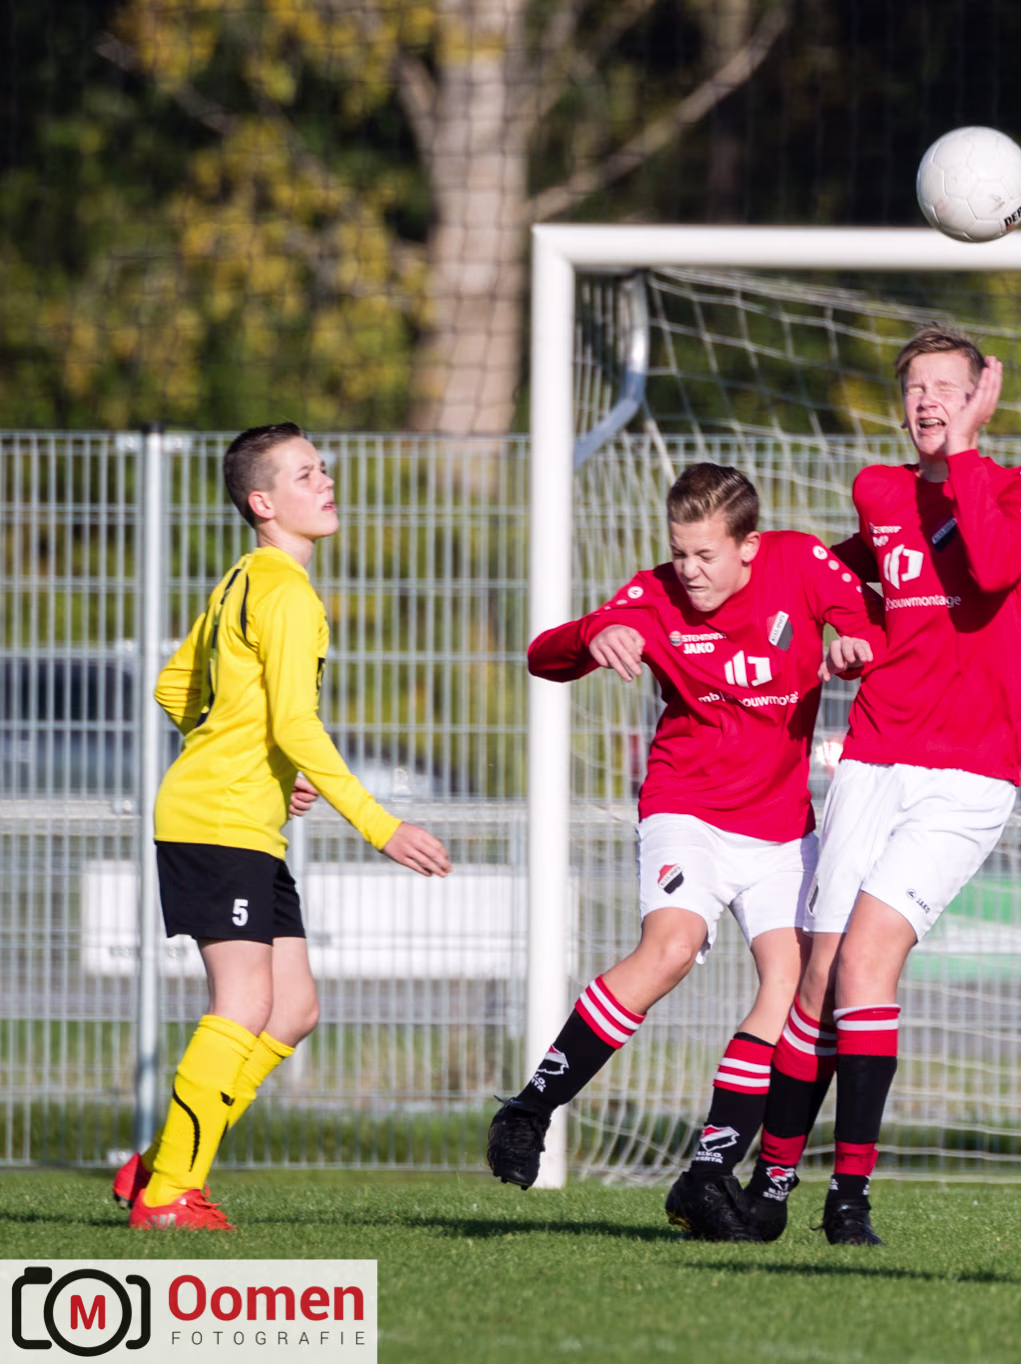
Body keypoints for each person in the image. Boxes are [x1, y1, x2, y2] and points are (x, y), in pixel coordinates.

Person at [486, 464, 881, 1240]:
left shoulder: (799, 562)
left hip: (780, 826)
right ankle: (528, 1111)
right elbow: (543, 656)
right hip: (687, 809)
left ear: (748, 546)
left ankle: (706, 1173)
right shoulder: (653, 595)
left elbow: (873, 624)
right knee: (670, 948)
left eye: (705, 554)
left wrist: (855, 646)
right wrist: (594, 634)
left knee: (798, 987)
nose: (689, 570)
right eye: (679, 553)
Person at [741, 326, 1021, 1246]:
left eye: (948, 387)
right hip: (874, 757)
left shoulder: (1019, 485)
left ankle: (850, 1197)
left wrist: (967, 450)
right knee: (820, 976)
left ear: (981, 396)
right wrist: (844, 629)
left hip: (967, 777)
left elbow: (991, 567)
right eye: (916, 387)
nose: (928, 401)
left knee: (868, 962)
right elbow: (835, 579)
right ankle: (771, 1184)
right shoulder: (880, 490)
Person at [121, 423, 451, 1231]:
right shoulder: (286, 593)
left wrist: (257, 756)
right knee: (243, 1002)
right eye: (305, 474)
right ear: (262, 502)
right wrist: (379, 825)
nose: (326, 482)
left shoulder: (247, 576)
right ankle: (168, 1196)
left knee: (293, 1009)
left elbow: (175, 687)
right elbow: (296, 723)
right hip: (219, 820)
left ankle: (162, 1164)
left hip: (240, 820)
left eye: (323, 468)